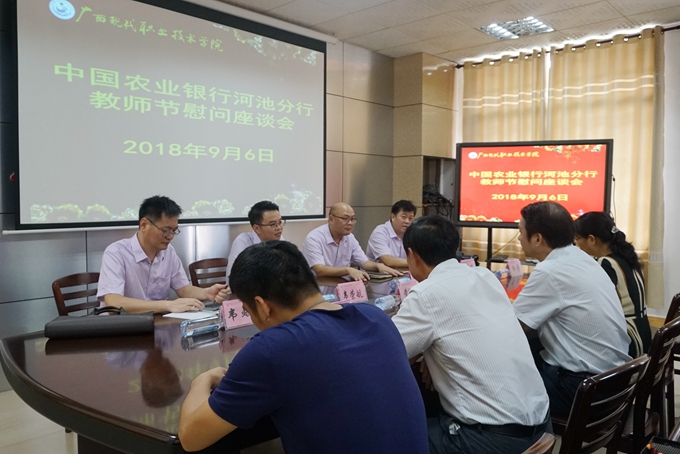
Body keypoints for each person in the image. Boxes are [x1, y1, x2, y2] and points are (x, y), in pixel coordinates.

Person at [178, 241, 429, 454]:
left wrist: (202, 380)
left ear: (262, 306)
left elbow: (190, 438)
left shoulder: (271, 349)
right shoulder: (376, 317)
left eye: (248, 310)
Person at [392, 216, 550, 454]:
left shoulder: (426, 293)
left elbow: (386, 354)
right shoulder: (484, 276)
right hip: (540, 425)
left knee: (389, 436)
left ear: (412, 255)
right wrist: (431, 352)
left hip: (490, 439)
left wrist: (426, 349)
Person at [513, 202, 630, 416]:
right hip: (614, 382)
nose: (519, 238)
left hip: (584, 391)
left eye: (521, 232)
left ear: (537, 238)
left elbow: (512, 327)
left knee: (498, 385)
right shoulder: (583, 259)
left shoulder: (550, 271)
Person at [97, 196, 228, 314]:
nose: (170, 236)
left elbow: (183, 289)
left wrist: (206, 293)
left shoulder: (169, 251)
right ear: (144, 225)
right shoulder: (116, 253)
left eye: (174, 231)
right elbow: (113, 303)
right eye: (165, 231)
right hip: (121, 326)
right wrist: (168, 305)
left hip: (156, 323)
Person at [574, 211, 652, 357]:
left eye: (577, 239)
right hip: (643, 333)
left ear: (591, 239)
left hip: (628, 338)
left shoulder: (606, 263)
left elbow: (595, 303)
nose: (576, 244)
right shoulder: (627, 257)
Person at [302, 202, 402, 281]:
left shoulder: (350, 237)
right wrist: (347, 270)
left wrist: (378, 266)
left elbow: (364, 263)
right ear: (331, 219)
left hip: (342, 287)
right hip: (319, 289)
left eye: (353, 219)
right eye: (345, 218)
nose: (350, 223)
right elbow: (319, 270)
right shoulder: (314, 238)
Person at [225, 200, 284, 283]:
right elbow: (233, 278)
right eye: (272, 224)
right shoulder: (243, 242)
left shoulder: (280, 239)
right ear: (256, 228)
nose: (279, 228)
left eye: (280, 222)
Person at [366, 199, 416, 268]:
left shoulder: (411, 233)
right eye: (404, 217)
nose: (407, 221)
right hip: (376, 273)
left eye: (410, 218)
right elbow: (388, 261)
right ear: (393, 217)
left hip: (401, 272)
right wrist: (417, 263)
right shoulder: (380, 232)